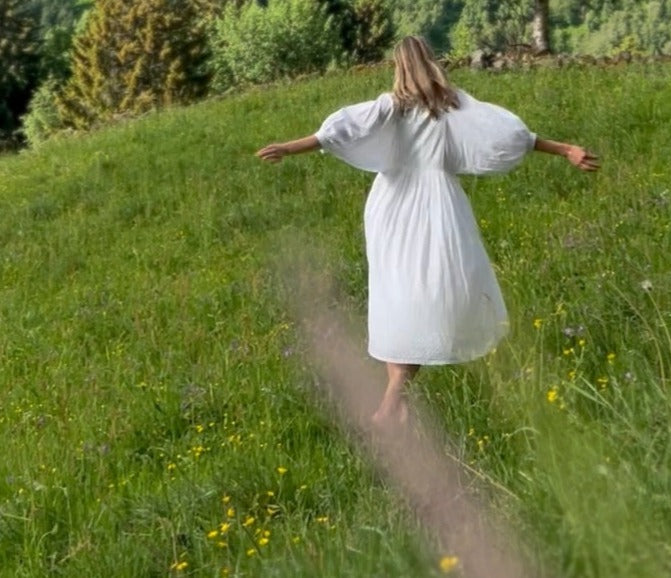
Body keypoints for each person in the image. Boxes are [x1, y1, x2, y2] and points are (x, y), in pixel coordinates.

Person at [256, 34, 600, 426]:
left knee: (397, 295)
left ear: (398, 66)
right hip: (436, 204)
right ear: (431, 61)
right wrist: (565, 150)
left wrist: (288, 146)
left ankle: (394, 398)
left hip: (392, 204)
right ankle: (394, 397)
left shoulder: (391, 106)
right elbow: (508, 134)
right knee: (428, 294)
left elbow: (339, 131)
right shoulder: (451, 104)